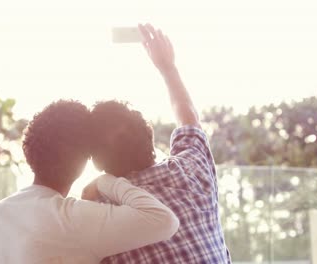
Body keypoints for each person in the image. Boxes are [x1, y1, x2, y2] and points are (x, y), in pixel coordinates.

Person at [0, 100, 179, 264]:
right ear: (84, 161)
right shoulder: (73, 219)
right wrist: (106, 182)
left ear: (30, 151)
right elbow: (162, 219)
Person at [86, 24, 232, 263]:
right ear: (149, 134)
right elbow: (188, 116)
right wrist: (167, 67)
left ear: (96, 159)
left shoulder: (98, 215)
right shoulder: (192, 170)